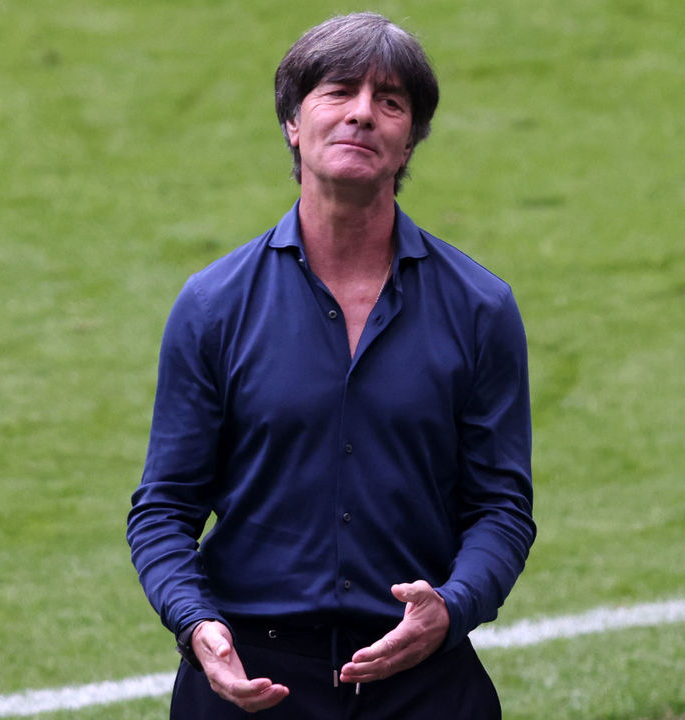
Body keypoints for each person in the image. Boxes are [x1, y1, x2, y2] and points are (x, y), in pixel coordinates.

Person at [127, 12, 535, 719]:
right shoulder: (213, 306)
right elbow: (164, 508)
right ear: (292, 122)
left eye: (391, 101)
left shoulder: (480, 308)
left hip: (424, 680)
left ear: (410, 141)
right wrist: (197, 625)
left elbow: (502, 508)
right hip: (254, 680)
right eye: (338, 91)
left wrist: (453, 606)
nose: (362, 114)